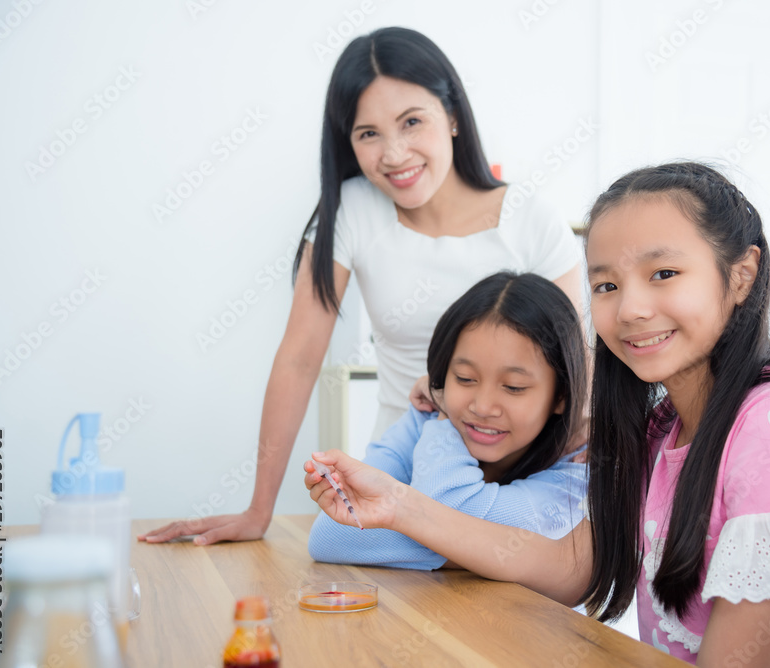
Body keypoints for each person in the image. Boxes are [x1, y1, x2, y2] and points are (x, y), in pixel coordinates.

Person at [305, 162, 770, 666]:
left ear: (741, 274)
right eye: (606, 285)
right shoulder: (655, 433)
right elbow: (568, 569)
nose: (631, 309)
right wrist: (398, 503)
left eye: (664, 274)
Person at [139, 27, 582, 546]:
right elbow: (299, 359)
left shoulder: (530, 220)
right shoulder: (353, 210)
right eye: (367, 133)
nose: (393, 154)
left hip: (519, 481)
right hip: (406, 466)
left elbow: (573, 368)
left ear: (454, 115)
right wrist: (259, 510)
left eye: (412, 122)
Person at [308, 272, 588, 569]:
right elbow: (331, 534)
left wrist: (395, 535)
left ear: (561, 396)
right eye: (465, 378)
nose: (482, 406)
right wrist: (443, 410)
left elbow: (451, 511)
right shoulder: (427, 421)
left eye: (514, 387)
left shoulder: (577, 469)